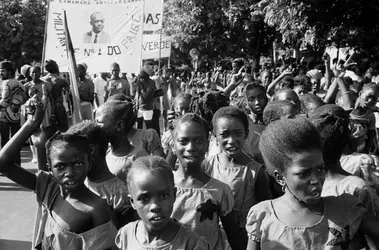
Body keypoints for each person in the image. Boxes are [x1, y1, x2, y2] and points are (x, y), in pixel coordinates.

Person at [246, 117, 379, 250]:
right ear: (280, 178)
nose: (316, 179)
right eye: (304, 174)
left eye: (320, 169)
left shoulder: (345, 207)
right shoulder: (263, 216)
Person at [0, 101, 114, 249]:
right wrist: (31, 124)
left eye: (78, 164)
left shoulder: (96, 207)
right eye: (60, 166)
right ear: (50, 169)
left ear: (89, 163)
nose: (70, 173)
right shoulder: (49, 187)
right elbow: (3, 164)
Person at [203, 107, 271, 249]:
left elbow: (264, 211)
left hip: (243, 238)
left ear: (246, 134)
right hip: (212, 236)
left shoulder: (256, 172)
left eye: (238, 133)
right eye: (224, 134)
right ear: (215, 136)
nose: (231, 140)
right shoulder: (207, 165)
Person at [171, 113, 241, 250]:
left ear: (207, 144)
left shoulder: (219, 190)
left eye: (198, 141)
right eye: (183, 141)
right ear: (173, 145)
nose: (191, 147)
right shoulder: (163, 187)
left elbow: (233, 235)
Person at [116, 155, 210, 249]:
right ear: (132, 202)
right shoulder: (125, 235)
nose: (155, 206)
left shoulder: (191, 244)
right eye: (144, 199)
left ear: (174, 195)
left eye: (163, 196)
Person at [67, 121, 133, 229]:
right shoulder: (79, 182)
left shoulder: (119, 193)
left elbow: (121, 236)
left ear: (91, 150)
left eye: (73, 154)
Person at [95, 100, 148, 181]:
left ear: (119, 125)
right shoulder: (105, 153)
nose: (95, 127)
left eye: (99, 124)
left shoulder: (137, 156)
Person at [25, 66, 54, 171]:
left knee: (46, 132)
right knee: (33, 133)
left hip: (45, 111)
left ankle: (47, 158)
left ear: (40, 73)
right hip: (32, 111)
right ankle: (36, 156)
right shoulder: (27, 85)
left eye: (36, 72)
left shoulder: (45, 84)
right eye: (32, 73)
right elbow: (24, 99)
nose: (34, 75)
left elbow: (51, 99)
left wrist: (53, 113)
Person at [0, 60, 26, 166]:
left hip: (4, 116)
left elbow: (4, 100)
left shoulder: (5, 83)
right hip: (16, 116)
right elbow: (24, 100)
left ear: (10, 72)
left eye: (3, 71)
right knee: (16, 141)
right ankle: (17, 164)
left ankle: (5, 165)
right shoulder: (20, 84)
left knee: (5, 141)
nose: (0, 73)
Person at [349, 83, 378, 153]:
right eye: (369, 96)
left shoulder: (370, 116)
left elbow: (371, 135)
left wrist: (366, 150)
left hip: (361, 150)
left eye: (374, 99)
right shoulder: (349, 109)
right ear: (360, 93)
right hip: (345, 149)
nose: (370, 100)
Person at [42, 59, 69, 132]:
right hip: (59, 106)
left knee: (50, 130)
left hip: (47, 108)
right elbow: (67, 96)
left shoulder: (43, 80)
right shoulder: (62, 80)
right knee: (63, 130)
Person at [136, 60, 157, 131]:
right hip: (139, 108)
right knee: (139, 128)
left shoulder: (151, 82)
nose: (153, 70)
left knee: (149, 129)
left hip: (147, 109)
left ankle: (150, 142)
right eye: (152, 68)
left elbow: (146, 96)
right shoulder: (139, 80)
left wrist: (141, 86)